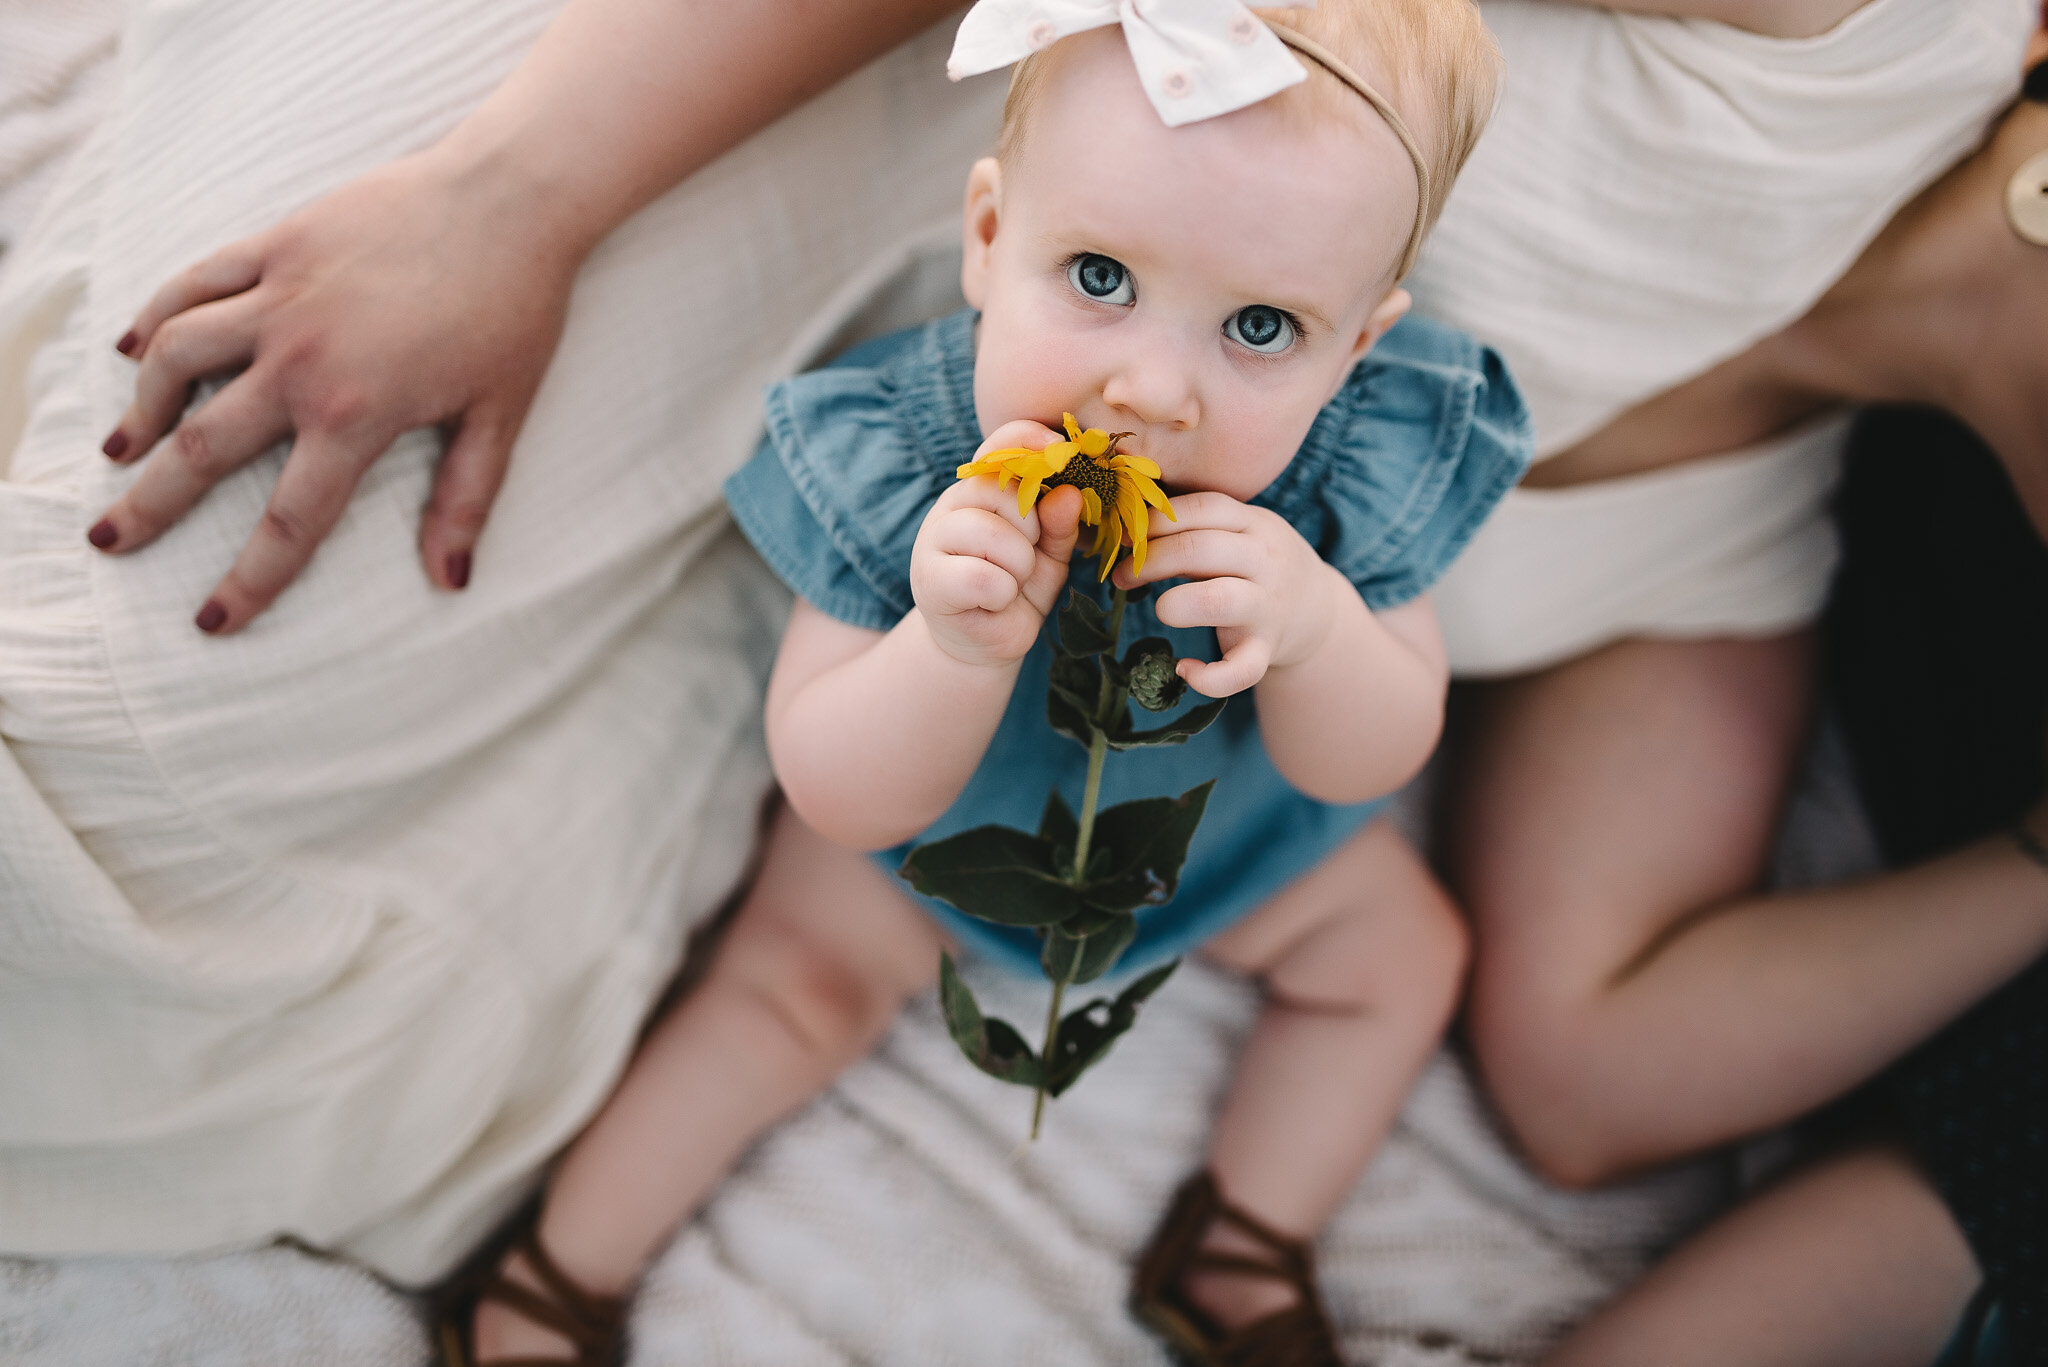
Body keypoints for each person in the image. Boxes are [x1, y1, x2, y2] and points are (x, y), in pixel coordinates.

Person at [454, 5, 1527, 1363]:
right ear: (986, 239)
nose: (1152, 389)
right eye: (1097, 278)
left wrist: (1315, 629)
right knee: (787, 981)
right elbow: (834, 784)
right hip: (935, 839)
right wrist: (950, 648)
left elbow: (1372, 758)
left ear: (1355, 348)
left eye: (1260, 326)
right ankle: (555, 1274)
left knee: (1400, 957)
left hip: (1232, 832)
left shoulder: (1355, 455)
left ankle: (1247, 1241)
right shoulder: (907, 458)